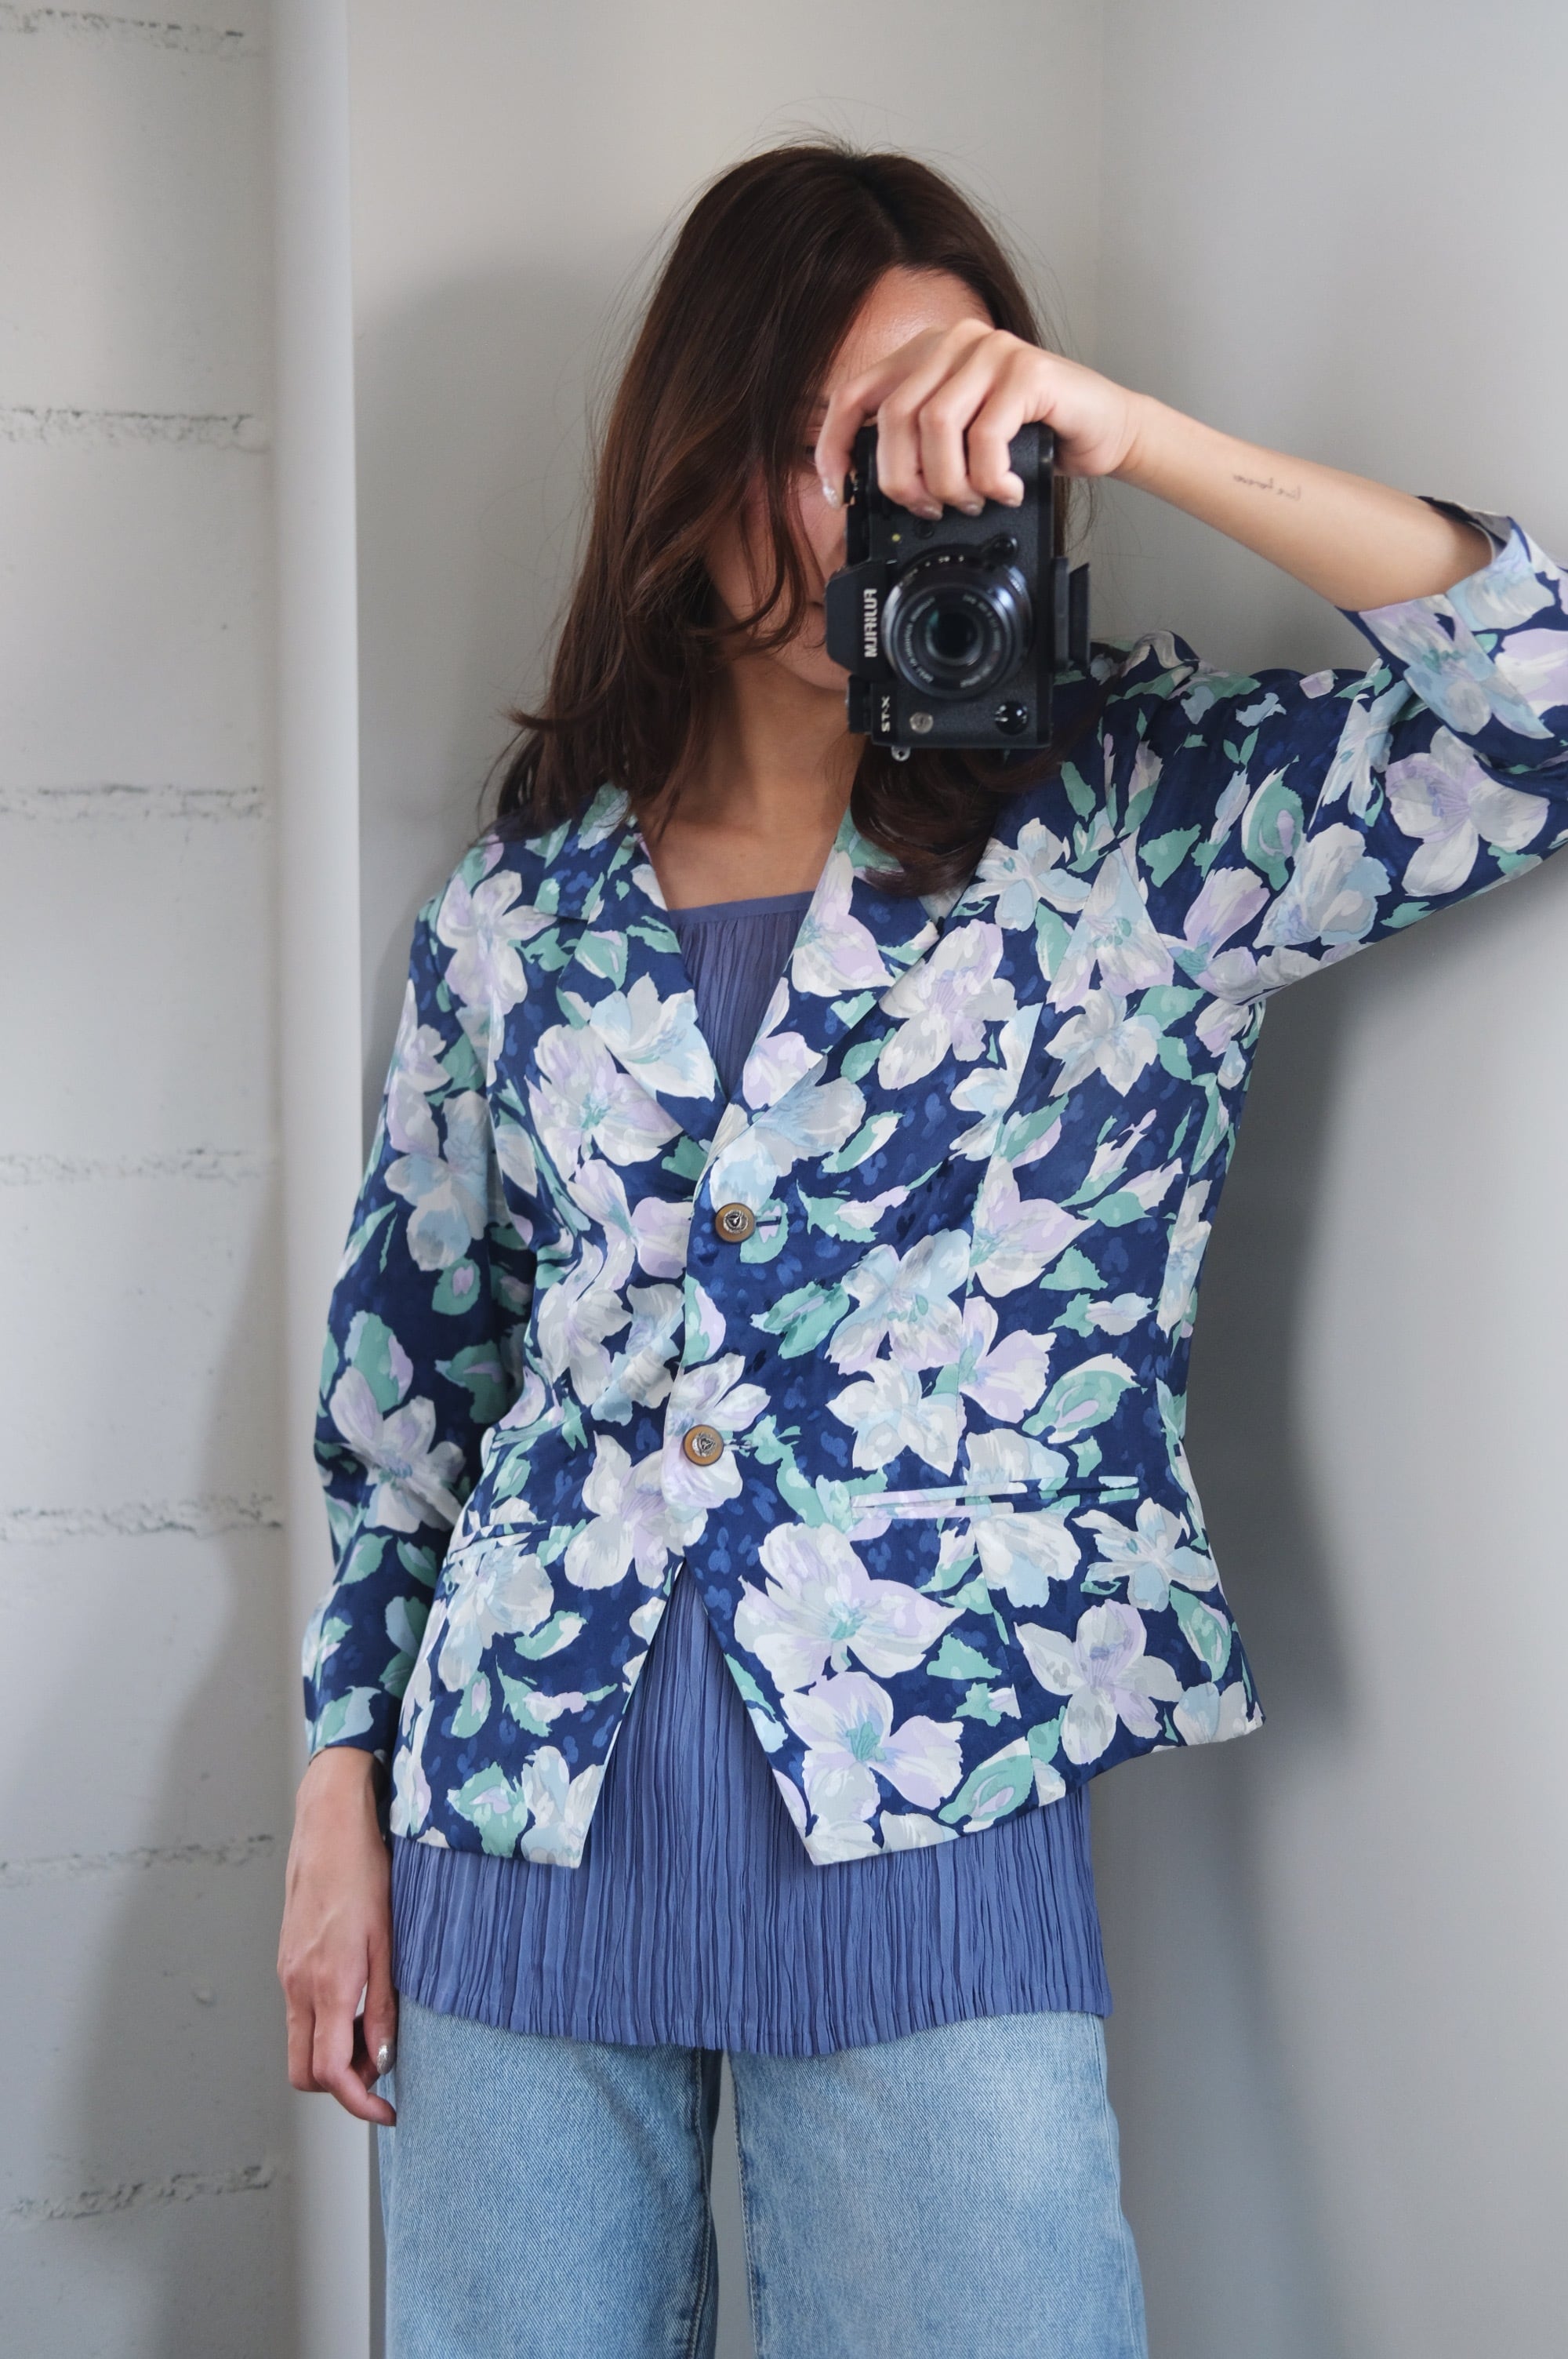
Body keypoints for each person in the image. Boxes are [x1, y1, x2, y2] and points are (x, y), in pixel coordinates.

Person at [277, 144, 1568, 2359]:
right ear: (696, 461)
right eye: (817, 436)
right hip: (511, 1811)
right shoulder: (516, 912)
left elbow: (1530, 712)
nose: (866, 495)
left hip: (936, 1800)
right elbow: (413, 1389)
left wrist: (1134, 430)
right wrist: (337, 1794)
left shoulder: (1134, 834)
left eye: (930, 429)